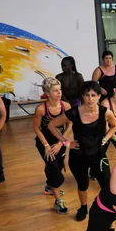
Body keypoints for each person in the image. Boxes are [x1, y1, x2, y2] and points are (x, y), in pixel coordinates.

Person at [48, 81, 116, 221]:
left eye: (93, 95)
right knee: (83, 184)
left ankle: (107, 210)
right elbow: (52, 125)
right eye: (87, 95)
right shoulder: (74, 112)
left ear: (99, 96)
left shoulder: (105, 112)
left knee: (107, 185)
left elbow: (115, 125)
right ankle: (83, 207)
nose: (90, 99)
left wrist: (106, 138)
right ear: (82, 96)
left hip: (98, 155)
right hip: (79, 156)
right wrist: (66, 143)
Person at [33, 78, 72, 213]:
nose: (59, 93)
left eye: (60, 90)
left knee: (58, 166)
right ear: (47, 93)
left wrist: (61, 142)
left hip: (59, 142)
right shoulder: (41, 109)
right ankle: (58, 201)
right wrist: (46, 146)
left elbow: (70, 124)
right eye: (55, 90)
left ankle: (49, 186)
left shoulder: (66, 106)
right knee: (56, 173)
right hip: (45, 143)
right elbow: (37, 129)